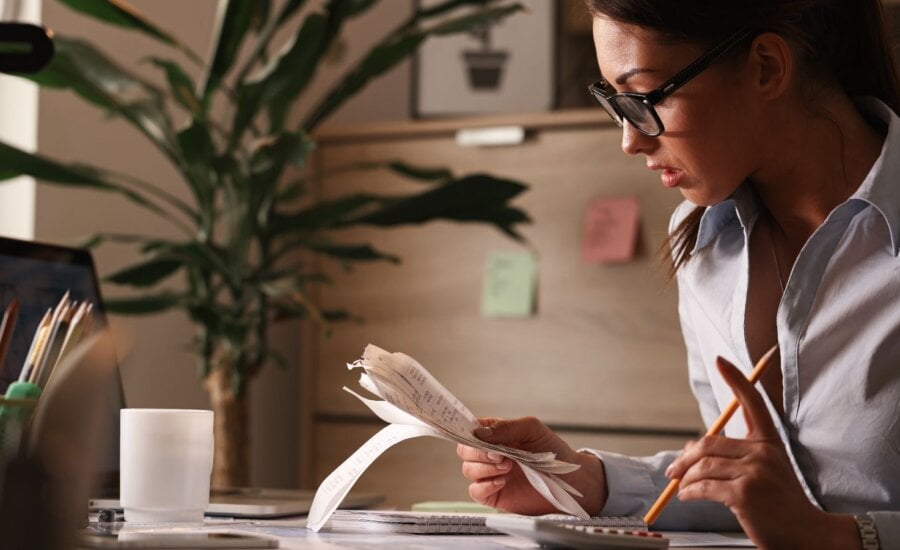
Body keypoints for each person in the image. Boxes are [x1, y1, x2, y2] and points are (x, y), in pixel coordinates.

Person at [456, 1, 900, 548]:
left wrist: (840, 538)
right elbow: (748, 490)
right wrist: (584, 482)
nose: (630, 139)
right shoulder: (704, 242)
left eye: (644, 97)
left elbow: (807, 522)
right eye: (613, 102)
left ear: (765, 67)